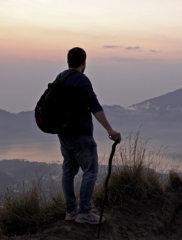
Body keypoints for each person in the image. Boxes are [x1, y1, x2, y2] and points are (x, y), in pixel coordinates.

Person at [58, 47, 121, 224]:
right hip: (81, 135)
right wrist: (110, 129)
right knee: (91, 170)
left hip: (63, 134)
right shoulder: (81, 80)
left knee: (68, 171)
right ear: (84, 62)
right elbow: (94, 106)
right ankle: (85, 212)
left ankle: (70, 211)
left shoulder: (61, 78)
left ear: (68, 60)